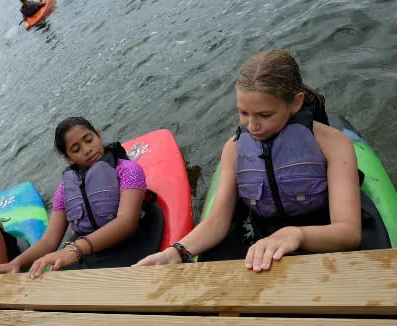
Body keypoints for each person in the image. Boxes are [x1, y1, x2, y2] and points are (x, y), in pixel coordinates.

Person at [134, 49, 361, 271]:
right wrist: (176, 252)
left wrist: (296, 234)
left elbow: (349, 232)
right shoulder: (233, 149)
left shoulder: (333, 144)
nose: (252, 126)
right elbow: (217, 221)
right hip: (262, 238)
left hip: (320, 233)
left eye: (265, 115)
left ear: (296, 102)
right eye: (243, 113)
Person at [0, 117, 159, 285]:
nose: (87, 150)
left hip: (132, 241)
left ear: (98, 135)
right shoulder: (64, 190)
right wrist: (16, 263)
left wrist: (74, 250)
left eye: (89, 140)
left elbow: (126, 222)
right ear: (68, 158)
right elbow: (49, 241)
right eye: (76, 149)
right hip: (91, 251)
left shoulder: (127, 170)